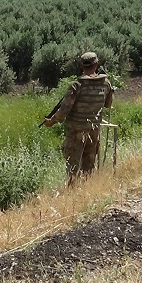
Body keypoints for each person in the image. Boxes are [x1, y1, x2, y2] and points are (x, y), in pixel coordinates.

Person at [43, 52, 114, 186]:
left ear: (81, 66)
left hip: (76, 132)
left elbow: (64, 110)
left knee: (73, 168)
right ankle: (87, 193)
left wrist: (51, 121)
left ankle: (72, 196)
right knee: (89, 167)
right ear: (96, 64)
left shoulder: (76, 85)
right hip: (94, 131)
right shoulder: (106, 83)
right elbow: (108, 104)